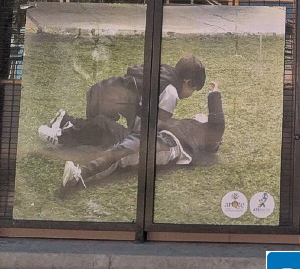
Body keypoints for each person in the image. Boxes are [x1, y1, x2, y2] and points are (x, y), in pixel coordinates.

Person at [61, 83, 225, 189]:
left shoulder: (205, 136)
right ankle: (64, 130)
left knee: (123, 152)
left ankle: (79, 175)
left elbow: (218, 124)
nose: (199, 116)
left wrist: (214, 94)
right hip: (149, 133)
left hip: (166, 143)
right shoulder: (186, 125)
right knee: (105, 125)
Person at [38, 55, 206, 148]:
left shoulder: (164, 72)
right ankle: (61, 136)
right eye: (193, 89)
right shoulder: (171, 93)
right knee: (113, 136)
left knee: (105, 131)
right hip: (105, 104)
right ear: (188, 82)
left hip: (98, 95)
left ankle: (65, 120)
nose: (190, 94)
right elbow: (150, 130)